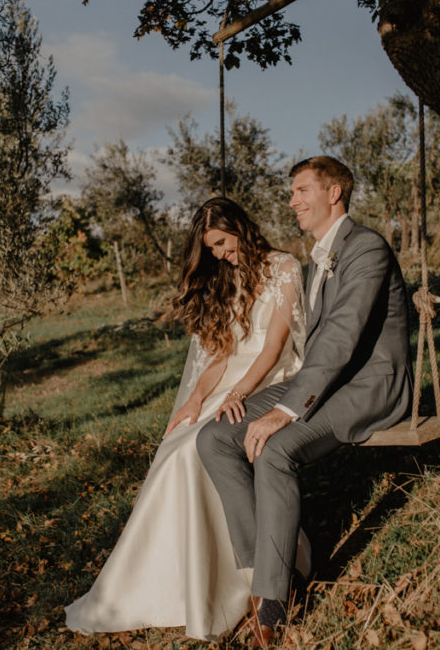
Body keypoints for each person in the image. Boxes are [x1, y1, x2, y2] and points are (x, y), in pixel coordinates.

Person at [64, 197, 309, 641]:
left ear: (239, 227)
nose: (218, 254)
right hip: (229, 381)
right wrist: (196, 399)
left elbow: (273, 347)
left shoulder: (284, 267)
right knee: (177, 443)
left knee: (194, 452)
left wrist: (238, 393)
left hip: (271, 380)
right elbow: (220, 354)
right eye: (210, 248)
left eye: (221, 242)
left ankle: (250, 578)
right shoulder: (229, 277)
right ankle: (177, 581)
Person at [197, 156, 414, 647]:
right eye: (292, 192)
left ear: (333, 193)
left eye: (300, 190)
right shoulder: (316, 257)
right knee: (214, 438)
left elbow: (339, 338)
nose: (292, 200)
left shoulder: (367, 249)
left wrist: (287, 409)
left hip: (370, 384)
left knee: (276, 449)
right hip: (325, 381)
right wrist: (264, 394)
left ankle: (272, 603)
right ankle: (266, 572)